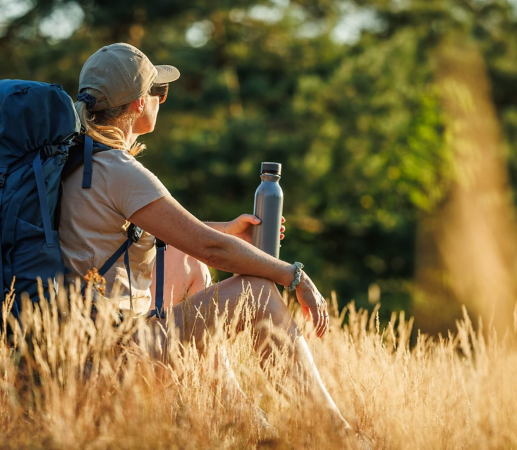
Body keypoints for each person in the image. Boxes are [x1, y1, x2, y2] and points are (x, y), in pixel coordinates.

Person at [58, 43, 351, 431]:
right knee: (258, 292)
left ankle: (244, 421)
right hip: (114, 358)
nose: (162, 99)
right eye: (158, 91)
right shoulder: (118, 171)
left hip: (78, 346)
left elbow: (182, 239)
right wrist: (293, 276)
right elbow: (210, 248)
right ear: (136, 105)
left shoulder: (75, 159)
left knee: (187, 260)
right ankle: (333, 432)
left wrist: (227, 231)